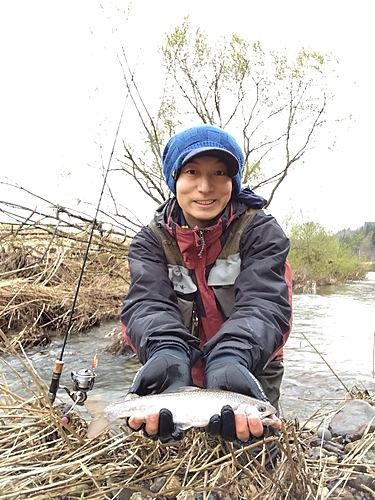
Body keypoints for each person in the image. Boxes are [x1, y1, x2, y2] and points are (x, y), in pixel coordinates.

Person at [121, 124, 292, 445]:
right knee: (179, 445)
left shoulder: (262, 232)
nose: (205, 186)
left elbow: (266, 303)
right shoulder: (149, 242)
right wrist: (166, 354)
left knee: (255, 443)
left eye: (219, 173)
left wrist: (233, 356)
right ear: (175, 179)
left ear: (233, 181)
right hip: (180, 365)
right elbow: (146, 303)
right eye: (191, 172)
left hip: (250, 362)